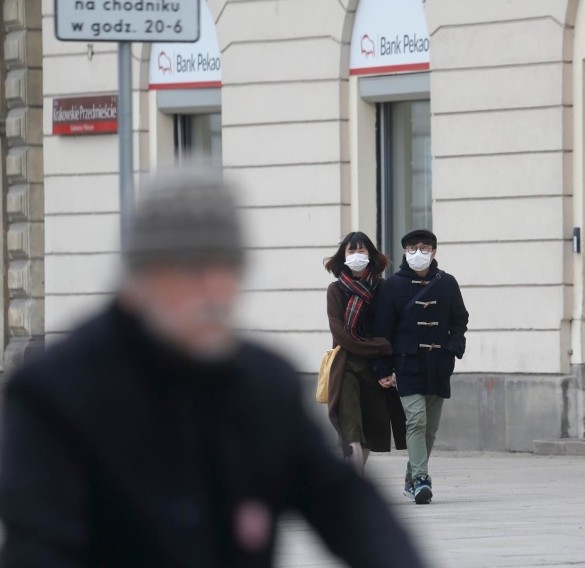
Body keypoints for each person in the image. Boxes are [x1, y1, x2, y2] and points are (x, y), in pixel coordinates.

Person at [0, 167, 426, 568]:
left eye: (226, 267)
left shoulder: (264, 382)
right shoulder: (53, 394)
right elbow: (40, 546)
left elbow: (346, 505)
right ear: (138, 278)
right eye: (189, 270)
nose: (213, 291)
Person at [374, 229, 469, 505]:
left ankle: (410, 478)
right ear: (404, 252)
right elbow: (383, 330)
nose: (419, 252)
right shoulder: (393, 285)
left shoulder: (447, 283)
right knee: (415, 420)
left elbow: (459, 320)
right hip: (407, 363)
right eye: (413, 248)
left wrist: (453, 347)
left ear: (434, 251)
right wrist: (383, 368)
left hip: (439, 363)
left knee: (430, 429)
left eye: (425, 247)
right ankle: (421, 479)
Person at [323, 232, 407, 474]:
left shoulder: (383, 288)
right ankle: (356, 480)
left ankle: (351, 478)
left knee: (371, 425)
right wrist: (379, 346)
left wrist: (383, 353)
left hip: (375, 367)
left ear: (370, 255)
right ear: (343, 256)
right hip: (345, 364)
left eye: (361, 251)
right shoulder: (336, 290)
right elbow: (340, 335)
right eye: (351, 251)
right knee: (351, 425)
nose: (357, 256)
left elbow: (389, 328)